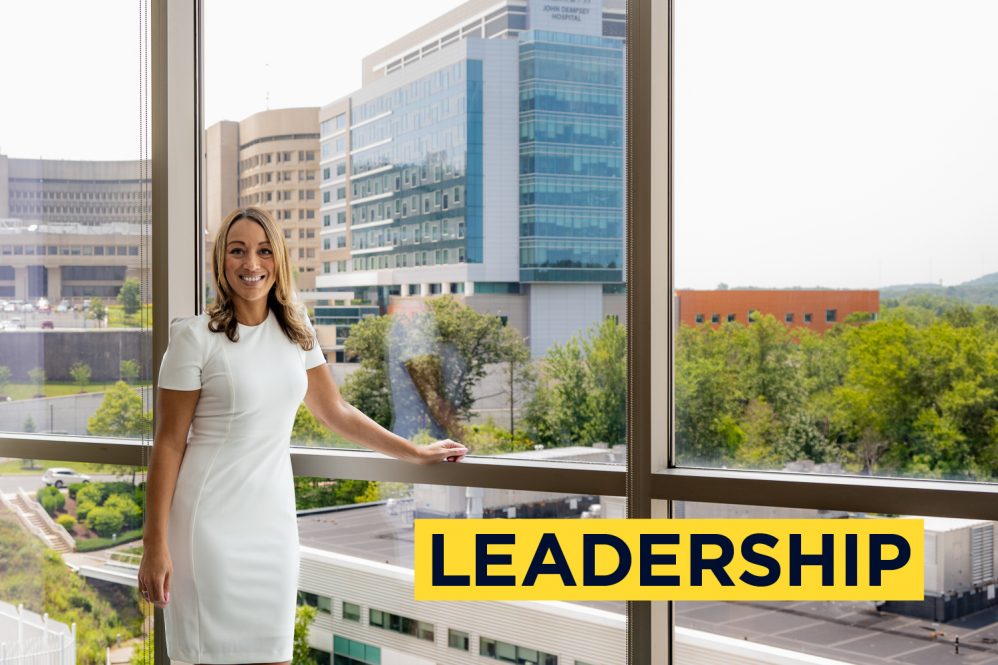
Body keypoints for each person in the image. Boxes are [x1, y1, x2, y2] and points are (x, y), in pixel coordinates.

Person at [137, 207, 467, 665]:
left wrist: (413, 452)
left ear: (279, 260)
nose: (251, 264)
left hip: (272, 527)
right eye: (238, 251)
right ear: (221, 261)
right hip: (207, 529)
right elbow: (170, 444)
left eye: (263, 251)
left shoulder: (296, 329)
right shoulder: (195, 338)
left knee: (275, 655)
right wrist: (155, 544)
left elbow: (336, 411)